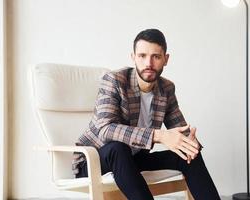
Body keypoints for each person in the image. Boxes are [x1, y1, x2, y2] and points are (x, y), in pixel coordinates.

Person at [73, 29, 221, 200]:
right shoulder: (114, 80)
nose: (148, 63)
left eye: (156, 56)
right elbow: (106, 129)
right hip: (94, 160)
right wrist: (159, 136)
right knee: (118, 148)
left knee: (188, 152)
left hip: (134, 159)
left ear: (166, 59)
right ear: (133, 57)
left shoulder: (166, 88)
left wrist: (190, 143)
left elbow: (179, 128)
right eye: (142, 55)